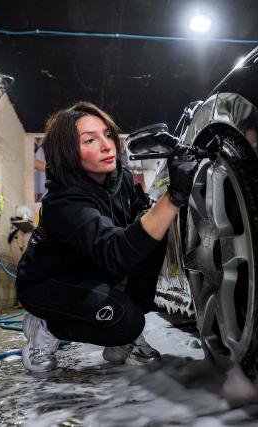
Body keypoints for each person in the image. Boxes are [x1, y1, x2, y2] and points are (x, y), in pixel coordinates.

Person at [15, 101, 197, 372]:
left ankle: (121, 337)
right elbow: (116, 252)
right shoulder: (64, 201)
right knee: (127, 321)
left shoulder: (119, 178)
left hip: (93, 270)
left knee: (152, 236)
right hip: (49, 285)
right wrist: (174, 196)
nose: (106, 145)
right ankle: (44, 324)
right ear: (68, 152)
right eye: (90, 139)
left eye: (108, 135)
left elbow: (140, 217)